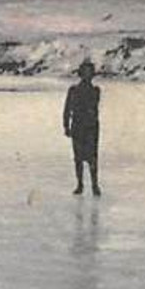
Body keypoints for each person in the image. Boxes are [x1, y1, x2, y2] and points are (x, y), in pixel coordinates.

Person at [63, 59, 101, 197]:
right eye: (85, 73)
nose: (87, 76)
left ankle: (94, 185)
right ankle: (80, 184)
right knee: (78, 158)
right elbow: (67, 109)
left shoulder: (95, 91)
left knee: (93, 157)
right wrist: (66, 125)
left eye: (89, 73)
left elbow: (93, 108)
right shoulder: (73, 90)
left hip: (91, 127)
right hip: (78, 126)